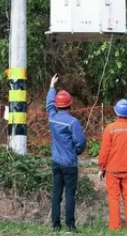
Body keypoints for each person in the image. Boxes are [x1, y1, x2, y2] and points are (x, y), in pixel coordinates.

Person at [46, 74, 86, 233]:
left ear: (57, 105)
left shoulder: (53, 118)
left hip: (56, 162)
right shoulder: (72, 122)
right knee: (70, 195)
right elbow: (81, 142)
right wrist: (76, 151)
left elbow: (49, 104)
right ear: (70, 104)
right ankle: (70, 225)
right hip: (69, 163)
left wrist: (51, 86)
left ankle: (56, 225)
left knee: (56, 194)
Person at [97, 99, 127, 231]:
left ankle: (115, 227)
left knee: (114, 198)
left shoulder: (110, 129)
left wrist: (101, 167)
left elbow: (105, 150)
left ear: (116, 112)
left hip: (112, 170)